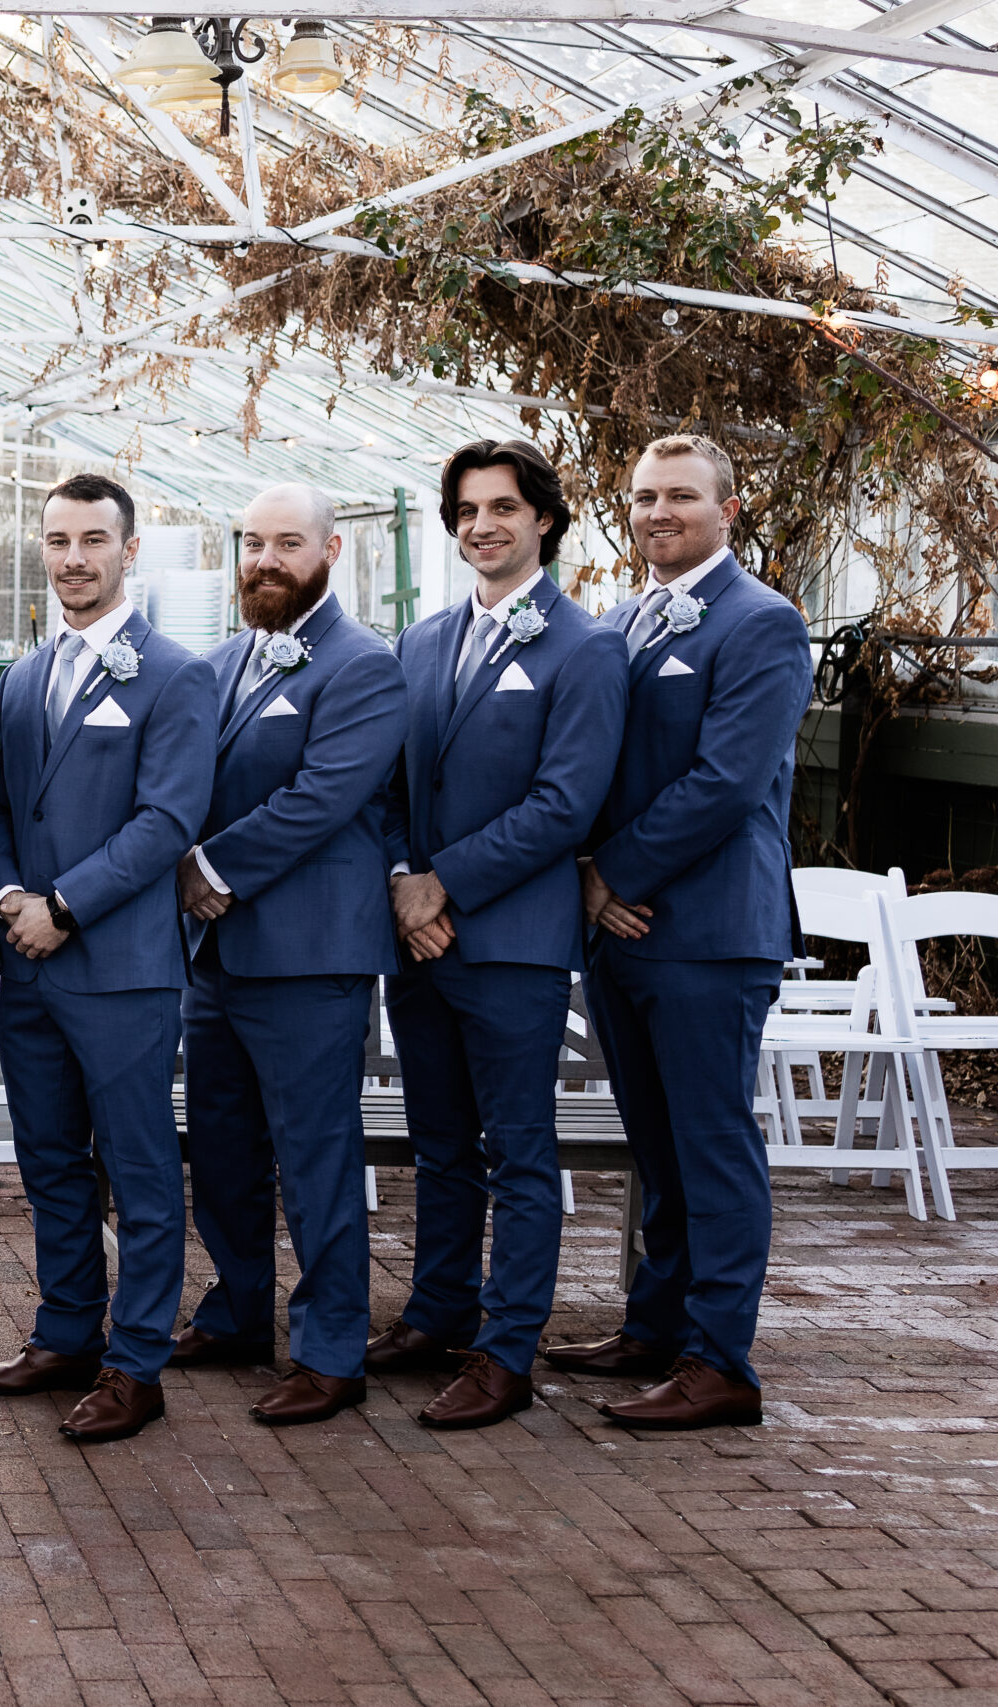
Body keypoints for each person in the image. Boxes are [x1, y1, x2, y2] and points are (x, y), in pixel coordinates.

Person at [546, 434, 811, 1430]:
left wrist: (609, 874)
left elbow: (725, 784)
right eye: (644, 495)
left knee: (710, 1145)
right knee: (656, 1145)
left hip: (706, 931)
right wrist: (586, 878)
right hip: (621, 928)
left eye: (681, 497)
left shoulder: (762, 624)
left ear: (727, 510)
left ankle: (720, 1361)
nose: (658, 512)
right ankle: (654, 1328)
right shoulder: (622, 621)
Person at [371, 441, 628, 1428]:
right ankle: (435, 1312)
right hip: (419, 939)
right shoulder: (421, 643)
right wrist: (403, 882)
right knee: (439, 1145)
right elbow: (385, 788)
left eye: (503, 507)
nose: (482, 524)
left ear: (545, 520)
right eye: (468, 510)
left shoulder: (585, 647)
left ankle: (505, 1347)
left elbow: (565, 804)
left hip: (511, 943)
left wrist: (444, 886)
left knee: (519, 1152)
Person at [0, 473, 217, 1443]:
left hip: (120, 969)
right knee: (50, 1165)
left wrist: (64, 906)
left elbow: (168, 821)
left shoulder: (175, 674)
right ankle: (64, 1333)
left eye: (92, 541)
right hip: (28, 964)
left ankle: (135, 1361)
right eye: (58, 540)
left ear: (128, 549)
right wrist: (10, 896)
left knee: (140, 1172)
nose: (73, 558)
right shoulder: (24, 676)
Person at [174, 482, 405, 1427]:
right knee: (222, 1149)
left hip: (307, 955)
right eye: (253, 543)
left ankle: (331, 1347)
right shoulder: (225, 659)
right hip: (216, 955)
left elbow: (323, 797)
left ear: (331, 552)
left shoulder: (363, 666)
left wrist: (209, 867)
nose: (265, 560)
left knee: (315, 1154)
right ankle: (237, 1311)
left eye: (287, 544)